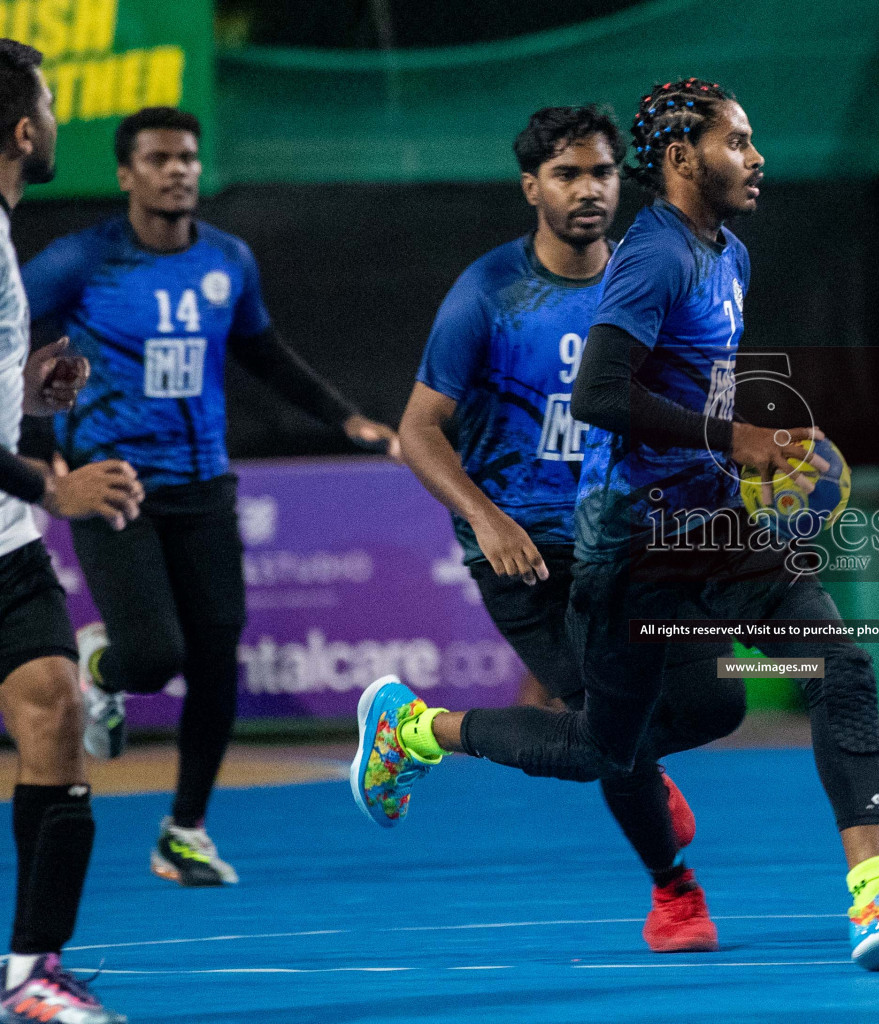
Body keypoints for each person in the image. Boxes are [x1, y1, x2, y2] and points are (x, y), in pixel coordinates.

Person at [364, 78, 879, 972]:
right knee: (601, 750)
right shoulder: (646, 259)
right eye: (737, 141)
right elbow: (600, 393)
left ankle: (875, 895)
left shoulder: (728, 253)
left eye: (752, 139)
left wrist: (765, 449)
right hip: (628, 544)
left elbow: (697, 382)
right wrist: (732, 436)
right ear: (679, 159)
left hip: (710, 526)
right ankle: (418, 731)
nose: (756, 156)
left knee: (835, 659)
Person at [364, 104, 744, 954]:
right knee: (606, 733)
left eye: (603, 172)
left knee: (716, 703)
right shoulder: (490, 293)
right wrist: (487, 518)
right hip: (530, 551)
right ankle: (674, 892)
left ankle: (418, 731)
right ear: (530, 187)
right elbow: (418, 430)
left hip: (635, 538)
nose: (588, 190)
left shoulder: (651, 277)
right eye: (567, 174)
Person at [21, 106, 400, 888]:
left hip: (205, 486)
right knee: (156, 658)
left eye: (188, 157)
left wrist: (343, 415)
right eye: (159, 158)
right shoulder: (81, 261)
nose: (178, 170)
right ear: (126, 174)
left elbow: (263, 352)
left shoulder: (228, 259)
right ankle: (105, 671)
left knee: (219, 660)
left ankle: (184, 831)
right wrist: (36, 437)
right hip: (113, 485)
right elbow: (8, 335)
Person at [0, 38, 142, 1024]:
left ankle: (31, 972)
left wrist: (28, 387)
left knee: (55, 708)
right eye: (50, 103)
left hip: (0, 535)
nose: (56, 122)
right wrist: (51, 488)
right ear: (21, 129)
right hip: (18, 509)